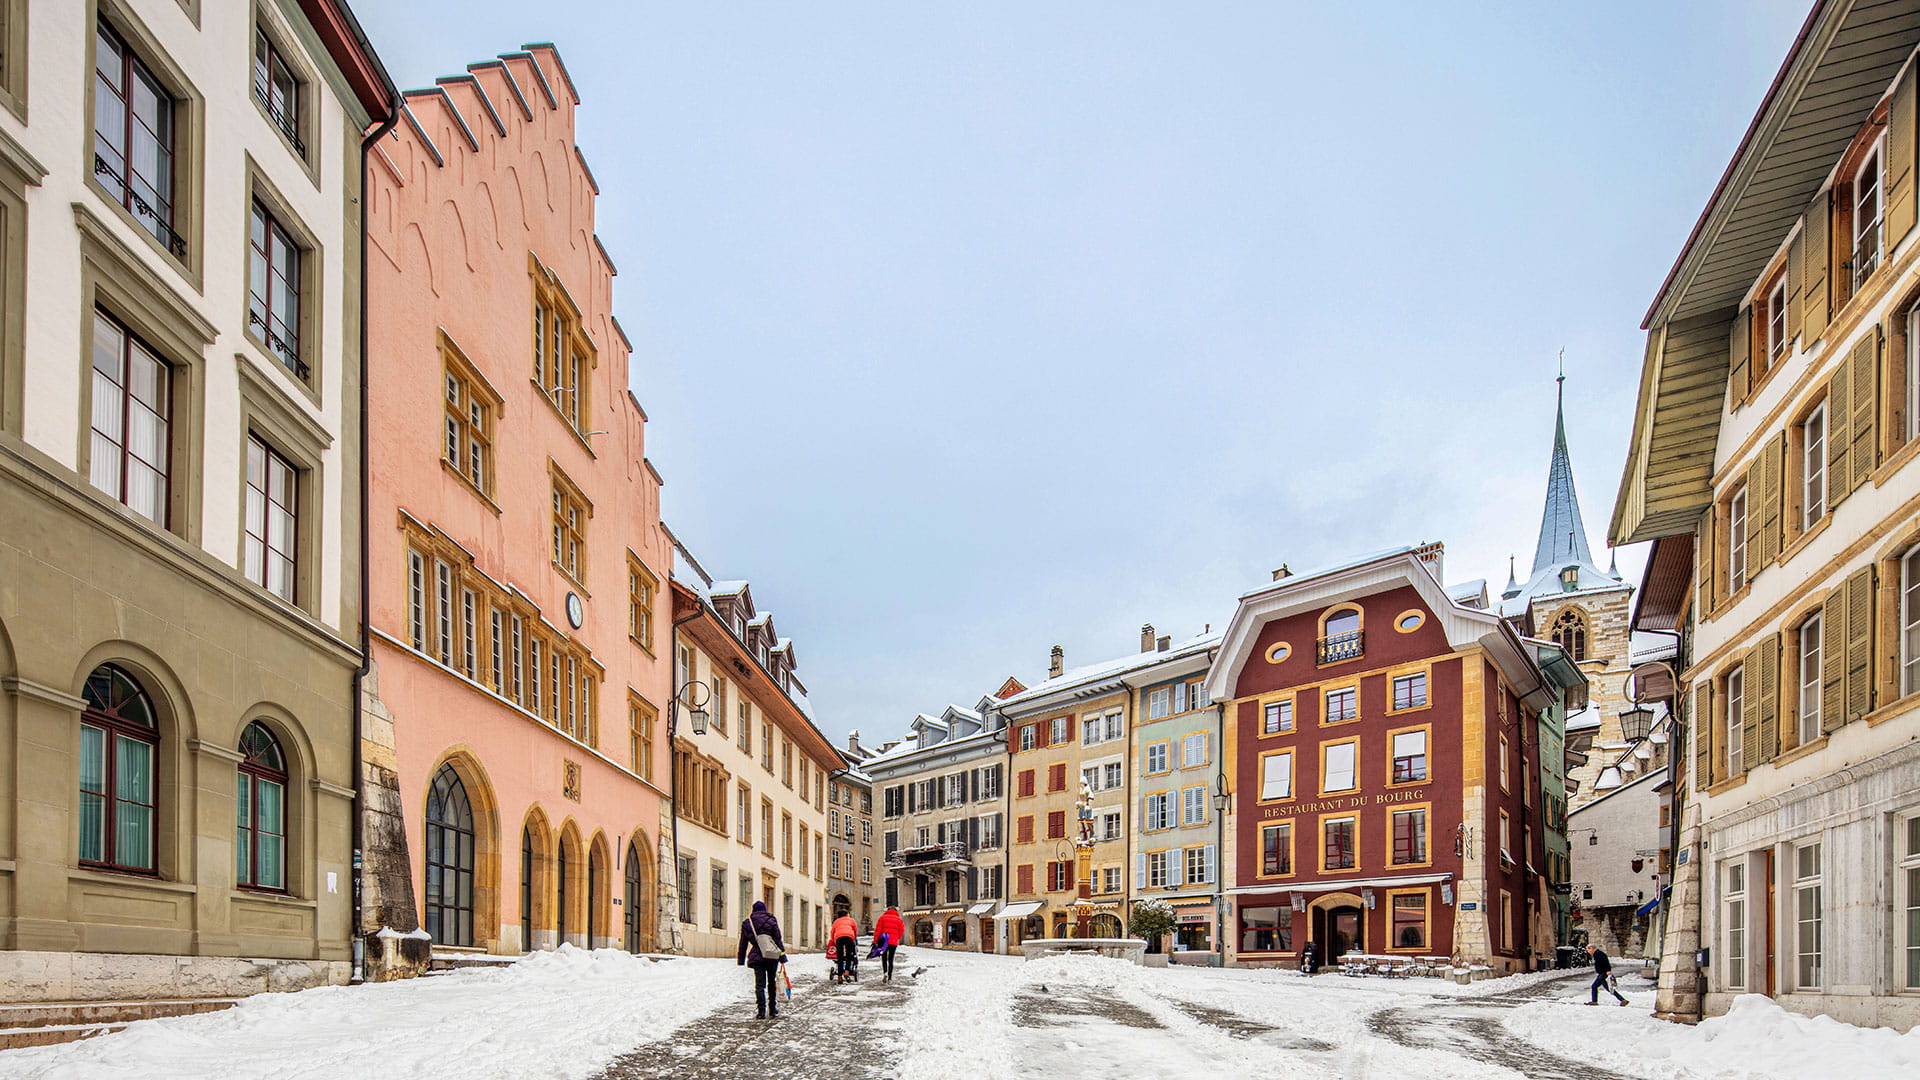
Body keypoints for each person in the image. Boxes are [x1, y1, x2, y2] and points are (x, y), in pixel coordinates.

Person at [737, 899, 787, 1019]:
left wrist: (741, 959)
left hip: (757, 957)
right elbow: (777, 939)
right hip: (771, 956)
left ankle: (761, 1011)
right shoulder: (771, 920)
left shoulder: (748, 923)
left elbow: (743, 943)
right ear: (765, 910)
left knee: (759, 985)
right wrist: (782, 956)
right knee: (771, 982)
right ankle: (772, 1009)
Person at [873, 906, 906, 983]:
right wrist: (896, 938)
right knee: (891, 959)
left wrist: (875, 941)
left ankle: (885, 973)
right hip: (893, 942)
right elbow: (901, 931)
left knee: (884, 958)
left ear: (887, 911)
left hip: (883, 941)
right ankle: (890, 977)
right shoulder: (899, 920)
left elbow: (878, 930)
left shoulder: (882, 918)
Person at [830, 913, 860, 983]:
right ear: (846, 915)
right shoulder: (851, 920)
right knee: (849, 956)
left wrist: (834, 941)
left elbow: (832, 932)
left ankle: (839, 977)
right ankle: (847, 972)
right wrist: (854, 938)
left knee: (840, 957)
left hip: (839, 938)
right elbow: (855, 930)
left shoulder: (836, 921)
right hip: (849, 937)